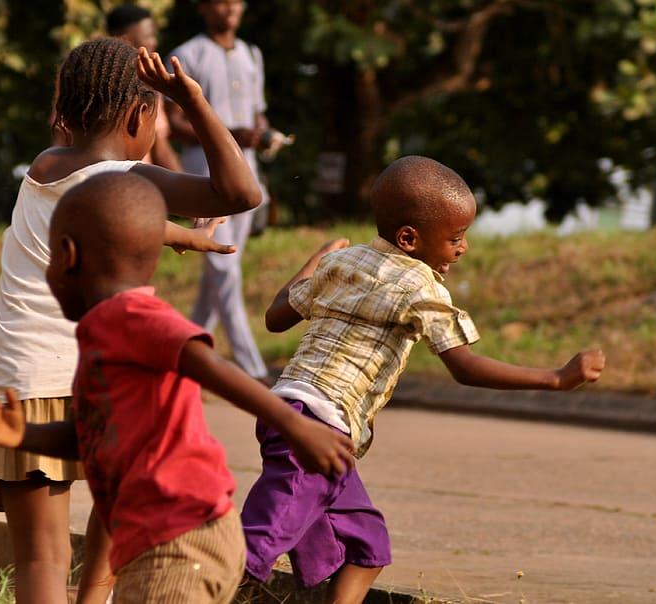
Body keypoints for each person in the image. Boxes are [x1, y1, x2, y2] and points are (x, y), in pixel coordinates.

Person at [0, 38, 264, 604]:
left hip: (21, 373)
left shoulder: (48, 166)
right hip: (95, 370)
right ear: (143, 113)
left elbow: (98, 216)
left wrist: (180, 234)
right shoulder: (124, 177)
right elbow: (241, 191)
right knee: (119, 510)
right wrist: (193, 100)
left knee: (40, 556)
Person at [241, 155, 607, 603]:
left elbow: (276, 317)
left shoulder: (344, 262)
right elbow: (464, 366)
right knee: (253, 548)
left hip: (294, 414)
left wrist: (317, 260)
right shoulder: (422, 288)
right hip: (317, 427)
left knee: (367, 548)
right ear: (410, 239)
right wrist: (556, 377)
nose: (463, 248)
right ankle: (183, 585)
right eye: (456, 238)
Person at [0, 171, 355, 604]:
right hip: (164, 544)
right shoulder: (103, 332)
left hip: (179, 542)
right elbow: (93, 434)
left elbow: (204, 361)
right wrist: (24, 435)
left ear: (66, 255)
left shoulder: (130, 315)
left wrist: (293, 424)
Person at [167, 0, 286, 383]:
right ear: (202, 7)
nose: (230, 8)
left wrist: (264, 136)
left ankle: (178, 359)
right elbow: (176, 123)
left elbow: (257, 113)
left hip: (246, 176)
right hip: (205, 174)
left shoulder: (252, 54)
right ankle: (252, 369)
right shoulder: (187, 54)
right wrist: (235, 135)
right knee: (224, 267)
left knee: (217, 279)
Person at [106, 4, 182, 171]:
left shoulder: (151, 82)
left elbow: (160, 145)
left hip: (139, 183)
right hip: (122, 183)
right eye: (148, 36)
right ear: (123, 39)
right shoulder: (87, 81)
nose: (153, 42)